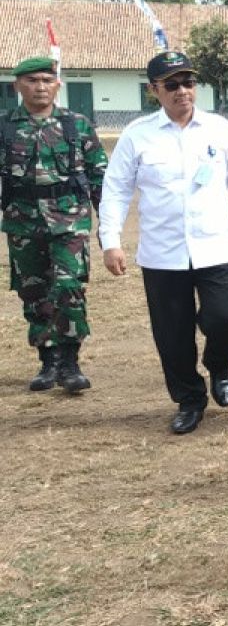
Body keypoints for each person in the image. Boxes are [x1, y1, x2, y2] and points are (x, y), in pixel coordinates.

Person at [99, 50, 228, 435]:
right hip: (163, 253)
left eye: (188, 83)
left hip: (216, 247)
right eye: (171, 85)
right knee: (172, 337)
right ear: (153, 90)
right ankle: (190, 399)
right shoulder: (137, 135)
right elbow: (117, 190)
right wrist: (111, 240)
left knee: (225, 320)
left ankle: (219, 363)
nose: (182, 91)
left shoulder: (219, 130)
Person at [2, 56, 107, 393]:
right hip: (23, 222)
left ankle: (70, 361)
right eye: (32, 80)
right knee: (33, 291)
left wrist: (107, 222)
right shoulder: (5, 127)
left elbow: (99, 175)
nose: (40, 86)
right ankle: (48, 360)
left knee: (68, 286)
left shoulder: (76, 124)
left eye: (47, 80)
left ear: (57, 84)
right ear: (18, 85)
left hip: (69, 221)